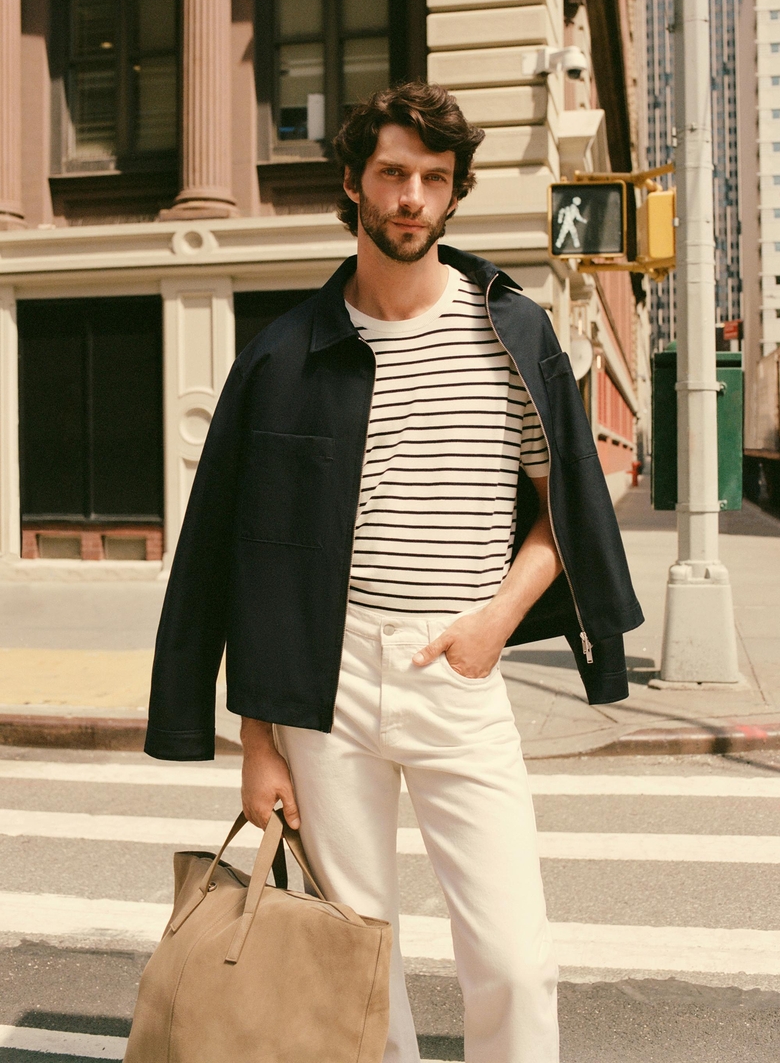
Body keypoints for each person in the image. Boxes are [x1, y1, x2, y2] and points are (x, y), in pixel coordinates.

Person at [145, 82, 643, 1063]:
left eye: (432, 178)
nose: (411, 195)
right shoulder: (285, 353)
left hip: (456, 667)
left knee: (510, 956)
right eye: (391, 174)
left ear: (452, 195)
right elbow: (242, 557)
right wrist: (257, 738)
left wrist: (493, 623)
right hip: (322, 684)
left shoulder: (513, 333)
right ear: (352, 183)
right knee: (348, 958)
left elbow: (564, 519)